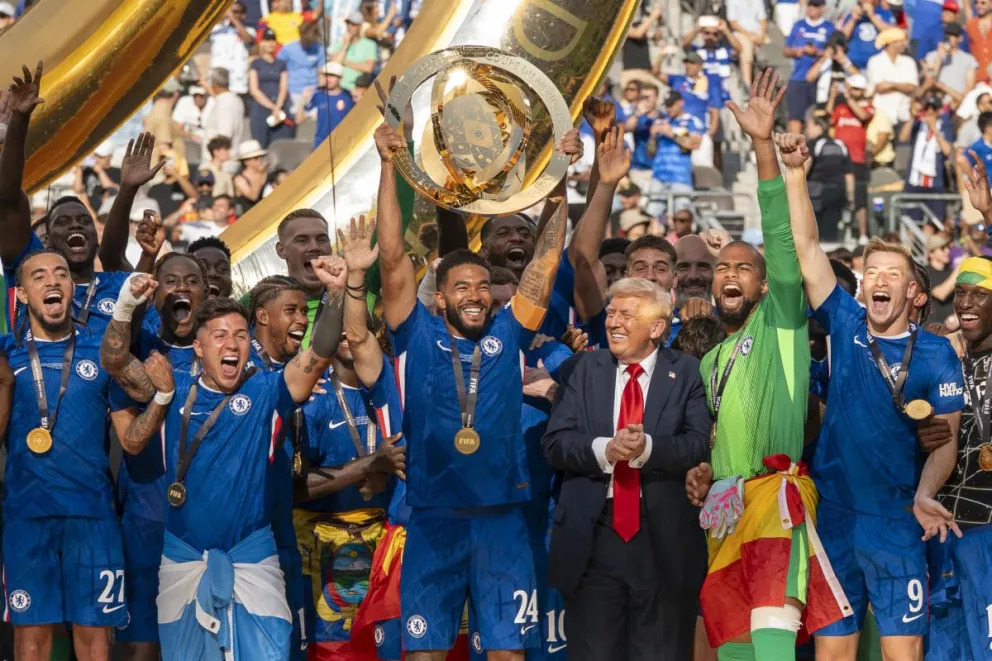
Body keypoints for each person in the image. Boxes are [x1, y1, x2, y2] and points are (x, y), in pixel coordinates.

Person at [374, 107, 579, 659]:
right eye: (461, 286)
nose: (474, 294)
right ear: (439, 297)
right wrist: (388, 165)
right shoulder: (414, 332)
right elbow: (392, 257)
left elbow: (547, 259)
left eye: (483, 286)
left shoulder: (509, 332)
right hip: (433, 517)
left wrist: (559, 178)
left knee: (509, 654)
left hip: (502, 522)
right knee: (424, 654)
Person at [774, 130, 964, 661]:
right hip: (835, 517)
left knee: (903, 653)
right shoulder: (843, 318)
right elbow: (808, 247)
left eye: (892, 274)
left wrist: (927, 493)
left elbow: (945, 439)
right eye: (871, 272)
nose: (878, 279)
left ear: (915, 293)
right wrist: (795, 175)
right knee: (834, 655)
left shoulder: (935, 355)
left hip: (899, 521)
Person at [684, 70, 851, 661]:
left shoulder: (782, 318)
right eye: (721, 268)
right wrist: (702, 471)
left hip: (775, 501)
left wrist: (762, 148)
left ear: (761, 287)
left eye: (743, 269)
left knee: (774, 645)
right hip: (724, 510)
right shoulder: (709, 361)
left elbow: (782, 242)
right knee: (733, 648)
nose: (729, 274)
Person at [105, 257, 346, 661]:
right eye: (219, 335)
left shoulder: (266, 390)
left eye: (239, 334)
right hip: (182, 560)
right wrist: (126, 303)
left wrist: (338, 291)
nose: (231, 344)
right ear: (198, 347)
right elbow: (115, 360)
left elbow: (318, 355)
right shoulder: (173, 386)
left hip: (254, 560)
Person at [541, 277, 711, 661]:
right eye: (611, 313)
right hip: (594, 538)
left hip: (662, 542)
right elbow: (555, 443)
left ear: (656, 328)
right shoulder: (584, 369)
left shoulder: (685, 372)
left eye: (626, 315)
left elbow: (699, 443)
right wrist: (606, 449)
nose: (613, 322)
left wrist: (647, 448)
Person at [1, 250, 142, 661]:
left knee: (96, 644)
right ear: (23, 294)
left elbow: (128, 438)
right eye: (39, 275)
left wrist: (161, 395)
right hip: (26, 516)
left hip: (93, 515)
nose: (52, 281)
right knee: (31, 644)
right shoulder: (6, 355)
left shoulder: (103, 352)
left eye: (61, 274)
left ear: (71, 287)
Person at [294, 217, 407, 658]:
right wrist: (368, 466)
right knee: (333, 653)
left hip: (385, 543)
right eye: (333, 324)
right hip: (321, 548)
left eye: (354, 326)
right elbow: (295, 487)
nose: (346, 332)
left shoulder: (391, 388)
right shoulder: (314, 400)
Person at [0, 63, 163, 334]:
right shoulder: (28, 276)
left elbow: (112, 255)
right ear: (47, 242)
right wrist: (18, 121)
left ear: (96, 235)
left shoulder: (117, 285)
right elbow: (7, 199)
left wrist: (126, 190)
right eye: (63, 221)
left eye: (84, 220)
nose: (76, 225)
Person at [100, 253, 209, 661]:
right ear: (156, 293)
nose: (182, 288)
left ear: (206, 291)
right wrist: (128, 301)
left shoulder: (224, 352)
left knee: (207, 641)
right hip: (146, 518)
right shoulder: (140, 351)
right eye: (171, 281)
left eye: (192, 280)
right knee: (141, 647)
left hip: (209, 521)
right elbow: (113, 359)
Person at [829, 74, 873, 244]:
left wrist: (848, 99)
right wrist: (833, 97)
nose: (853, 91)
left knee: (859, 197)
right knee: (837, 194)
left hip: (857, 159)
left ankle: (862, 235)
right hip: (838, 159)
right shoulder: (840, 108)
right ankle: (838, 231)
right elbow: (828, 115)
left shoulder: (869, 106)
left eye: (856, 89)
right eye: (851, 88)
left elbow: (863, 115)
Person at [647, 91, 703, 219]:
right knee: (652, 217)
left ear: (681, 103)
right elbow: (650, 153)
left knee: (682, 217)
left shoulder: (691, 121)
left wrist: (672, 135)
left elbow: (695, 144)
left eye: (672, 104)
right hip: (658, 177)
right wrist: (652, 137)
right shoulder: (661, 121)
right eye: (667, 105)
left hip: (680, 178)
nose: (669, 108)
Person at [785, 0, 837, 134]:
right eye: (810, 4)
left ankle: (813, 148)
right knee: (795, 116)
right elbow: (786, 50)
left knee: (817, 117)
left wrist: (817, 52)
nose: (813, 8)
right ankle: (793, 149)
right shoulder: (798, 25)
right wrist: (798, 51)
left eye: (816, 5)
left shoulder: (829, 28)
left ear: (823, 7)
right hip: (798, 78)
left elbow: (834, 51)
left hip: (820, 80)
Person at [806, 116, 852, 243]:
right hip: (838, 191)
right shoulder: (841, 144)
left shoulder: (814, 144)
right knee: (832, 228)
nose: (807, 131)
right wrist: (850, 197)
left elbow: (807, 163)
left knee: (816, 231)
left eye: (809, 127)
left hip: (818, 193)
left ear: (819, 127)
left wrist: (794, 183)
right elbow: (849, 174)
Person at [249, 28, 294, 147]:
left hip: (280, 107)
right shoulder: (256, 63)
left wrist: (278, 106)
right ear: (261, 42)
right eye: (267, 40)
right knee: (260, 144)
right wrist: (272, 107)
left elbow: (283, 86)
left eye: (273, 40)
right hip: (262, 108)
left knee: (281, 145)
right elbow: (254, 90)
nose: (270, 43)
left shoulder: (281, 64)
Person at [866, 29, 919, 128]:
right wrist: (902, 87)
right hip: (881, 114)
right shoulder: (875, 61)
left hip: (903, 114)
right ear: (892, 43)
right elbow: (880, 87)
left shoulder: (909, 62)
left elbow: (912, 87)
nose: (904, 44)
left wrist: (891, 85)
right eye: (901, 41)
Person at [296, 61, 354, 150]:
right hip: (321, 143)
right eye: (326, 75)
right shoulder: (317, 96)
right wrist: (303, 100)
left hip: (342, 144)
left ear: (340, 78)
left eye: (332, 76)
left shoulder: (348, 97)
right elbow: (299, 120)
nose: (328, 79)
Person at [208, 2, 253, 96]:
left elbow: (249, 39)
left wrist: (232, 18)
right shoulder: (217, 29)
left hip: (238, 83)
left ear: (243, 15)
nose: (232, 14)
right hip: (218, 81)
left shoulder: (249, 30)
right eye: (230, 11)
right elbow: (204, 37)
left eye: (236, 12)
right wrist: (220, 17)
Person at [277, 20, 322, 113]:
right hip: (294, 91)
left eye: (311, 41)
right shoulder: (288, 49)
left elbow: (321, 70)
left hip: (313, 91)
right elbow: (278, 68)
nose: (308, 44)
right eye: (306, 41)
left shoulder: (319, 49)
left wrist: (319, 87)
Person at [838, 0, 896, 70]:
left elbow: (893, 34)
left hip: (878, 65)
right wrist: (853, 20)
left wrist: (872, 16)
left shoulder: (884, 12)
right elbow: (843, 38)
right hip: (854, 65)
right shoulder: (852, 14)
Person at [202, 68, 246, 159]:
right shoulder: (233, 100)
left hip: (221, 163)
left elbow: (224, 136)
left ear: (213, 83)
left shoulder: (225, 104)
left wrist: (217, 163)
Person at [331, 12, 378, 92]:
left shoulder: (370, 44)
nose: (350, 27)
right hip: (340, 89)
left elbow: (368, 68)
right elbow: (333, 65)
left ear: (360, 26)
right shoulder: (339, 44)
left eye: (353, 24)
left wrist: (344, 62)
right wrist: (345, 45)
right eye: (348, 23)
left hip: (357, 90)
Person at [233, 139, 269, 215]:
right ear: (246, 161)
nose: (259, 160)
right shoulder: (239, 179)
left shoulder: (265, 172)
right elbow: (253, 196)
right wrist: (259, 174)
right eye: (256, 158)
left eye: (260, 156)